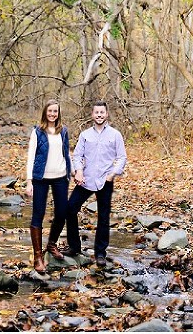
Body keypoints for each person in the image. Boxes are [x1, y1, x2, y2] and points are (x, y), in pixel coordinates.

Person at [63, 100, 127, 267]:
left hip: (105, 180)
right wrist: (79, 171)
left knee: (103, 217)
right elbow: (77, 156)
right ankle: (75, 247)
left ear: (106, 114)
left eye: (102, 112)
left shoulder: (115, 135)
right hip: (86, 179)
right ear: (92, 115)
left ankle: (100, 253)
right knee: (70, 209)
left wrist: (113, 174)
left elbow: (122, 157)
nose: (99, 115)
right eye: (96, 112)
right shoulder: (85, 135)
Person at [24, 99, 71, 273]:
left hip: (60, 177)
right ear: (45, 112)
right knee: (38, 214)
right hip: (40, 179)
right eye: (50, 111)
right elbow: (31, 157)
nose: (52, 114)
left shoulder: (63, 131)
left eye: (55, 111)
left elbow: (66, 153)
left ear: (59, 113)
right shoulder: (37, 132)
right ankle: (38, 256)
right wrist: (29, 181)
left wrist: (71, 172)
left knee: (61, 213)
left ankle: (51, 244)